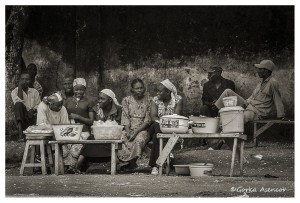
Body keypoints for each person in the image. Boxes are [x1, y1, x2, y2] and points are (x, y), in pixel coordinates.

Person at [214, 60, 286, 161]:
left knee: (239, 118)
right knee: (228, 92)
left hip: (257, 112)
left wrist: (281, 115)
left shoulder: (273, 83)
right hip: (248, 105)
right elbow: (251, 98)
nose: (258, 71)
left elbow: (277, 99)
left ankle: (223, 141)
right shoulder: (260, 82)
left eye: (260, 69)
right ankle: (215, 113)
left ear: (266, 71)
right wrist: (244, 103)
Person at [76, 89, 122, 173]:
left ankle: (114, 162)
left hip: (112, 134)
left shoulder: (118, 109)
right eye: (99, 98)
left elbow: (117, 124)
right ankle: (78, 165)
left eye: (102, 99)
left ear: (110, 100)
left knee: (110, 143)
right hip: (98, 133)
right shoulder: (97, 108)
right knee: (90, 140)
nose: (100, 101)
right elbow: (94, 122)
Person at [148, 79, 183, 175]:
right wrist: (163, 123)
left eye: (160, 91)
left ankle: (155, 166)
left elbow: (176, 117)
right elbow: (153, 117)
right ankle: (166, 152)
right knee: (156, 125)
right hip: (156, 126)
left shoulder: (178, 99)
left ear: (168, 92)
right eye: (157, 91)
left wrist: (165, 125)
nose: (157, 93)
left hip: (172, 127)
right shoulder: (155, 100)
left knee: (157, 136)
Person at [117, 79, 152, 171]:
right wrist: (128, 131)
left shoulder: (149, 100)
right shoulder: (126, 100)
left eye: (141, 88)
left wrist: (136, 131)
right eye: (137, 88)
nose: (139, 90)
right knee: (121, 138)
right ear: (132, 89)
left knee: (139, 139)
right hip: (129, 128)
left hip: (143, 129)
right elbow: (125, 117)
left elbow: (148, 120)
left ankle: (132, 164)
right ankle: (129, 163)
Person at [63, 78, 94, 174]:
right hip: (70, 130)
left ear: (85, 90)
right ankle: (67, 167)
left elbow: (91, 121)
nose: (79, 92)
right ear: (73, 89)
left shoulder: (89, 102)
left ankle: (75, 167)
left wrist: (78, 117)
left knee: (77, 145)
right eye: (76, 89)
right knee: (65, 145)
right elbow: (63, 115)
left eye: (81, 89)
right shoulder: (67, 101)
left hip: (84, 131)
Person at [200, 66, 235, 149]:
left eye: (210, 73)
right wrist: (211, 104)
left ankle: (224, 140)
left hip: (224, 109)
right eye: (208, 73)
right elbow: (204, 100)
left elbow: (232, 99)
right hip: (211, 109)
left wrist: (219, 103)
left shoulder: (229, 84)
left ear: (218, 73)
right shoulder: (207, 85)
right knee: (203, 108)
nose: (208, 76)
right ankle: (204, 140)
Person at [11, 72, 41, 142]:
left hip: (32, 116)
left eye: (27, 79)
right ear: (19, 80)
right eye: (22, 79)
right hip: (21, 118)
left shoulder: (35, 91)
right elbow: (19, 101)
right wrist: (20, 87)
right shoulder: (14, 91)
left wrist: (33, 110)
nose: (24, 81)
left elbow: (39, 105)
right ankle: (20, 134)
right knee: (18, 104)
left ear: (30, 81)